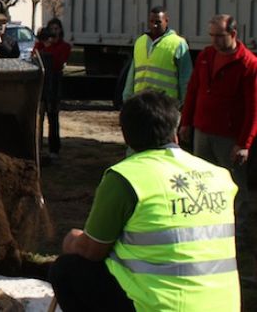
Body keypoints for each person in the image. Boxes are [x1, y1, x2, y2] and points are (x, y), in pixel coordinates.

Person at [49, 90, 239, 311]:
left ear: (126, 135)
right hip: (223, 304)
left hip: (161, 306)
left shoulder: (126, 177)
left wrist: (72, 240)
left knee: (66, 269)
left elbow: (92, 250)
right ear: (174, 132)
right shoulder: (219, 175)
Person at [179, 14, 257, 275]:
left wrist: (244, 143)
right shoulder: (205, 57)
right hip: (203, 130)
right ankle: (205, 227)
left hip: (229, 138)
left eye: (218, 36)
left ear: (233, 34)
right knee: (201, 181)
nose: (213, 40)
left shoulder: (248, 64)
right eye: (211, 35)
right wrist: (187, 122)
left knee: (235, 186)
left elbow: (254, 108)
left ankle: (235, 234)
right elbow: (194, 90)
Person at [122, 6, 192, 104]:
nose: (154, 25)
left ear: (166, 21)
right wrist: (127, 97)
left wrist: (185, 103)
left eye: (158, 22)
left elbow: (185, 77)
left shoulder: (178, 43)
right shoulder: (140, 42)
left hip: (165, 105)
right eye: (151, 21)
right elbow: (132, 73)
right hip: (141, 102)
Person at [34, 18, 71, 159]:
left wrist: (49, 46)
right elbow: (35, 59)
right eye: (52, 29)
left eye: (57, 29)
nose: (54, 32)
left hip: (54, 86)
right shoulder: (40, 45)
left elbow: (57, 62)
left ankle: (54, 149)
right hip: (41, 86)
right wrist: (43, 44)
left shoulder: (64, 46)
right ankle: (37, 147)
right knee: (39, 118)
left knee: (53, 118)